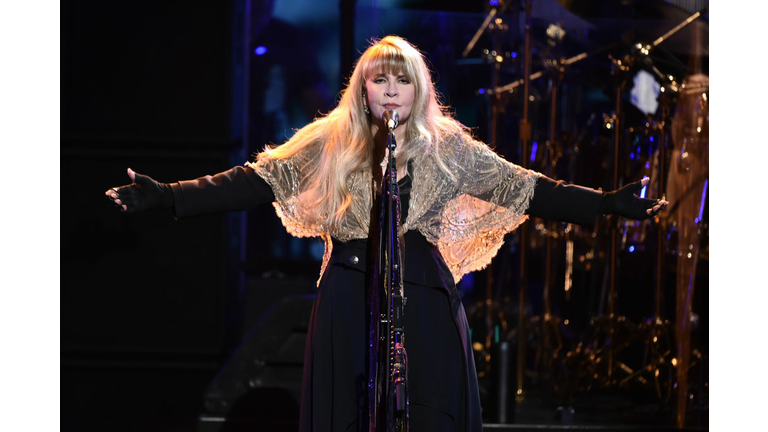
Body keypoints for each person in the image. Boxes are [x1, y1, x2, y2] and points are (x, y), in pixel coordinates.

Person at [105, 35, 667, 432]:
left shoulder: (449, 147)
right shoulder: (329, 141)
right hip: (350, 294)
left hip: (423, 297)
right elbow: (254, 180)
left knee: (425, 411)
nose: (391, 89)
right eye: (380, 79)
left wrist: (607, 204)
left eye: (403, 79)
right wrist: (171, 196)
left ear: (419, 88)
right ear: (363, 89)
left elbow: (525, 187)